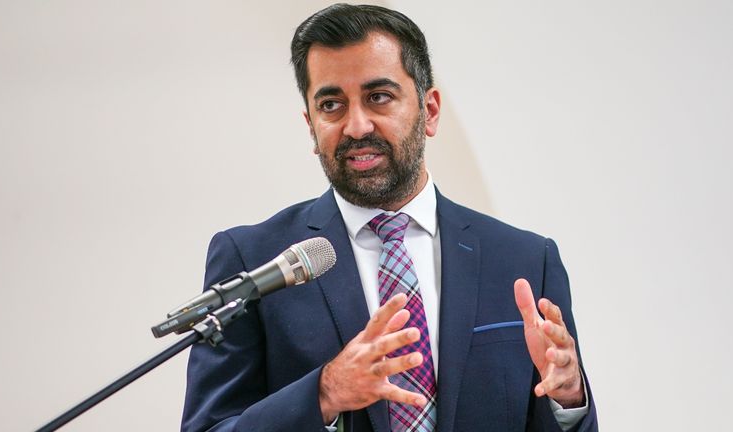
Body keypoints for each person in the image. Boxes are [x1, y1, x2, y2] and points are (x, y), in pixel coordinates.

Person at [181, 4, 597, 432]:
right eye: (331, 105)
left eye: (379, 97)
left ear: (430, 110)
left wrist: (569, 399)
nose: (357, 126)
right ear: (310, 126)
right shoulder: (256, 261)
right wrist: (324, 394)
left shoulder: (525, 259)